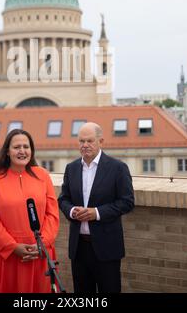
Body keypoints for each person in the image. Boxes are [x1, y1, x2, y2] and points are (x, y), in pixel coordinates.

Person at [58, 122, 134, 293]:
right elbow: (63, 199)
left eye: (90, 141)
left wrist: (96, 213)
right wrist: (72, 211)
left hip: (107, 248)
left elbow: (127, 202)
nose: (85, 145)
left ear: (101, 141)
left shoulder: (117, 168)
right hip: (79, 249)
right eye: (81, 141)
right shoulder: (71, 168)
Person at [0, 129, 59, 293]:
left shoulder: (43, 175)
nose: (22, 151)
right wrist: (13, 247)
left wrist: (41, 245)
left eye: (26, 146)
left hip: (39, 251)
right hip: (7, 254)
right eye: (17, 147)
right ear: (7, 152)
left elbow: (52, 215)